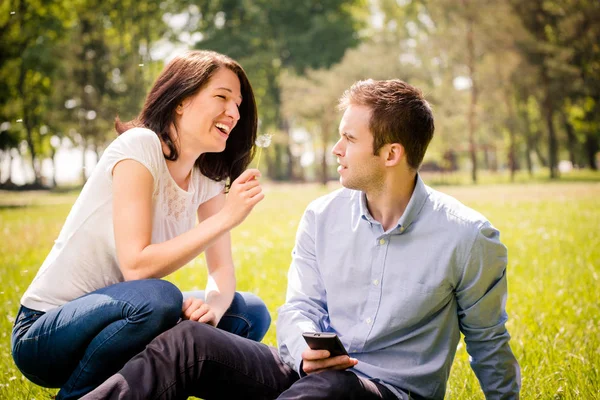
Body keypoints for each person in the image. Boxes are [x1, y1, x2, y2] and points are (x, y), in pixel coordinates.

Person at [82, 79, 521, 400]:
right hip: (305, 372)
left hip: (386, 391)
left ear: (391, 154)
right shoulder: (322, 216)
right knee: (189, 344)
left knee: (330, 390)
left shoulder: (467, 236)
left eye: (349, 139)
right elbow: (299, 307)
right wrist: (305, 347)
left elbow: (488, 341)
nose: (335, 149)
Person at [11, 50, 272, 400]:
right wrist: (228, 217)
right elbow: (137, 266)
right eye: (222, 97)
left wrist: (213, 307)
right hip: (46, 332)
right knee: (159, 296)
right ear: (181, 100)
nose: (234, 112)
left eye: (238, 104)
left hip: (129, 315)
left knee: (247, 311)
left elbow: (221, 270)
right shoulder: (140, 146)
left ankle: (152, 388)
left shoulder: (207, 177)